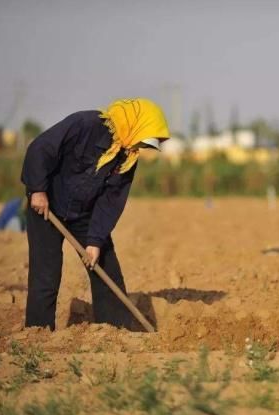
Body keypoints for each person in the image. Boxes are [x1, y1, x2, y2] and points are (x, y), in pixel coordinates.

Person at [21, 98, 170, 330]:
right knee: (46, 273)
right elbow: (41, 149)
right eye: (143, 141)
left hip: (84, 214)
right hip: (47, 206)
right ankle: (37, 332)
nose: (140, 148)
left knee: (106, 267)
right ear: (135, 125)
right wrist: (37, 190)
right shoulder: (85, 124)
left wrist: (95, 240)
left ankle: (115, 329)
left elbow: (111, 200)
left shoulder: (127, 158)